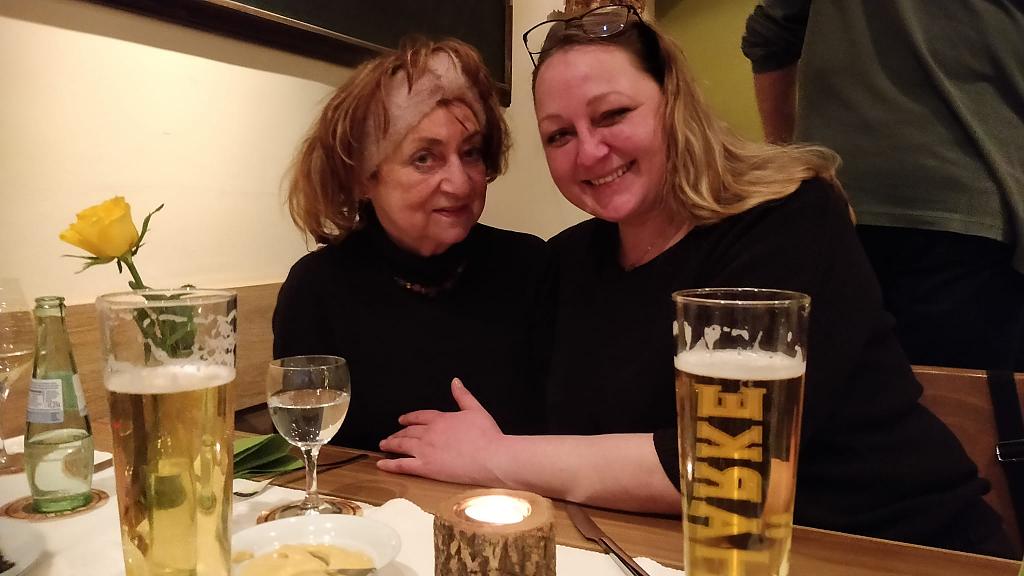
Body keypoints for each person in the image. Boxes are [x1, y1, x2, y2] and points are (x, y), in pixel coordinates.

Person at [377, 4, 1017, 557]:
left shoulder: (789, 218)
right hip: (679, 553)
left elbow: (726, 467)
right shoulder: (568, 262)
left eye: (613, 114)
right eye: (559, 135)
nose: (589, 151)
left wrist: (496, 457)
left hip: (887, 547)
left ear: (674, 102)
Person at [273, 38, 546, 451]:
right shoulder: (317, 289)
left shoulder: (530, 268)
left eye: (471, 153)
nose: (460, 183)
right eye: (424, 158)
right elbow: (308, 453)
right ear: (363, 177)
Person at [741, 0, 1024, 373]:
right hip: (974, 214)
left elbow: (771, 36)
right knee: (962, 403)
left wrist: (790, 167)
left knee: (827, 398)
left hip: (832, 202)